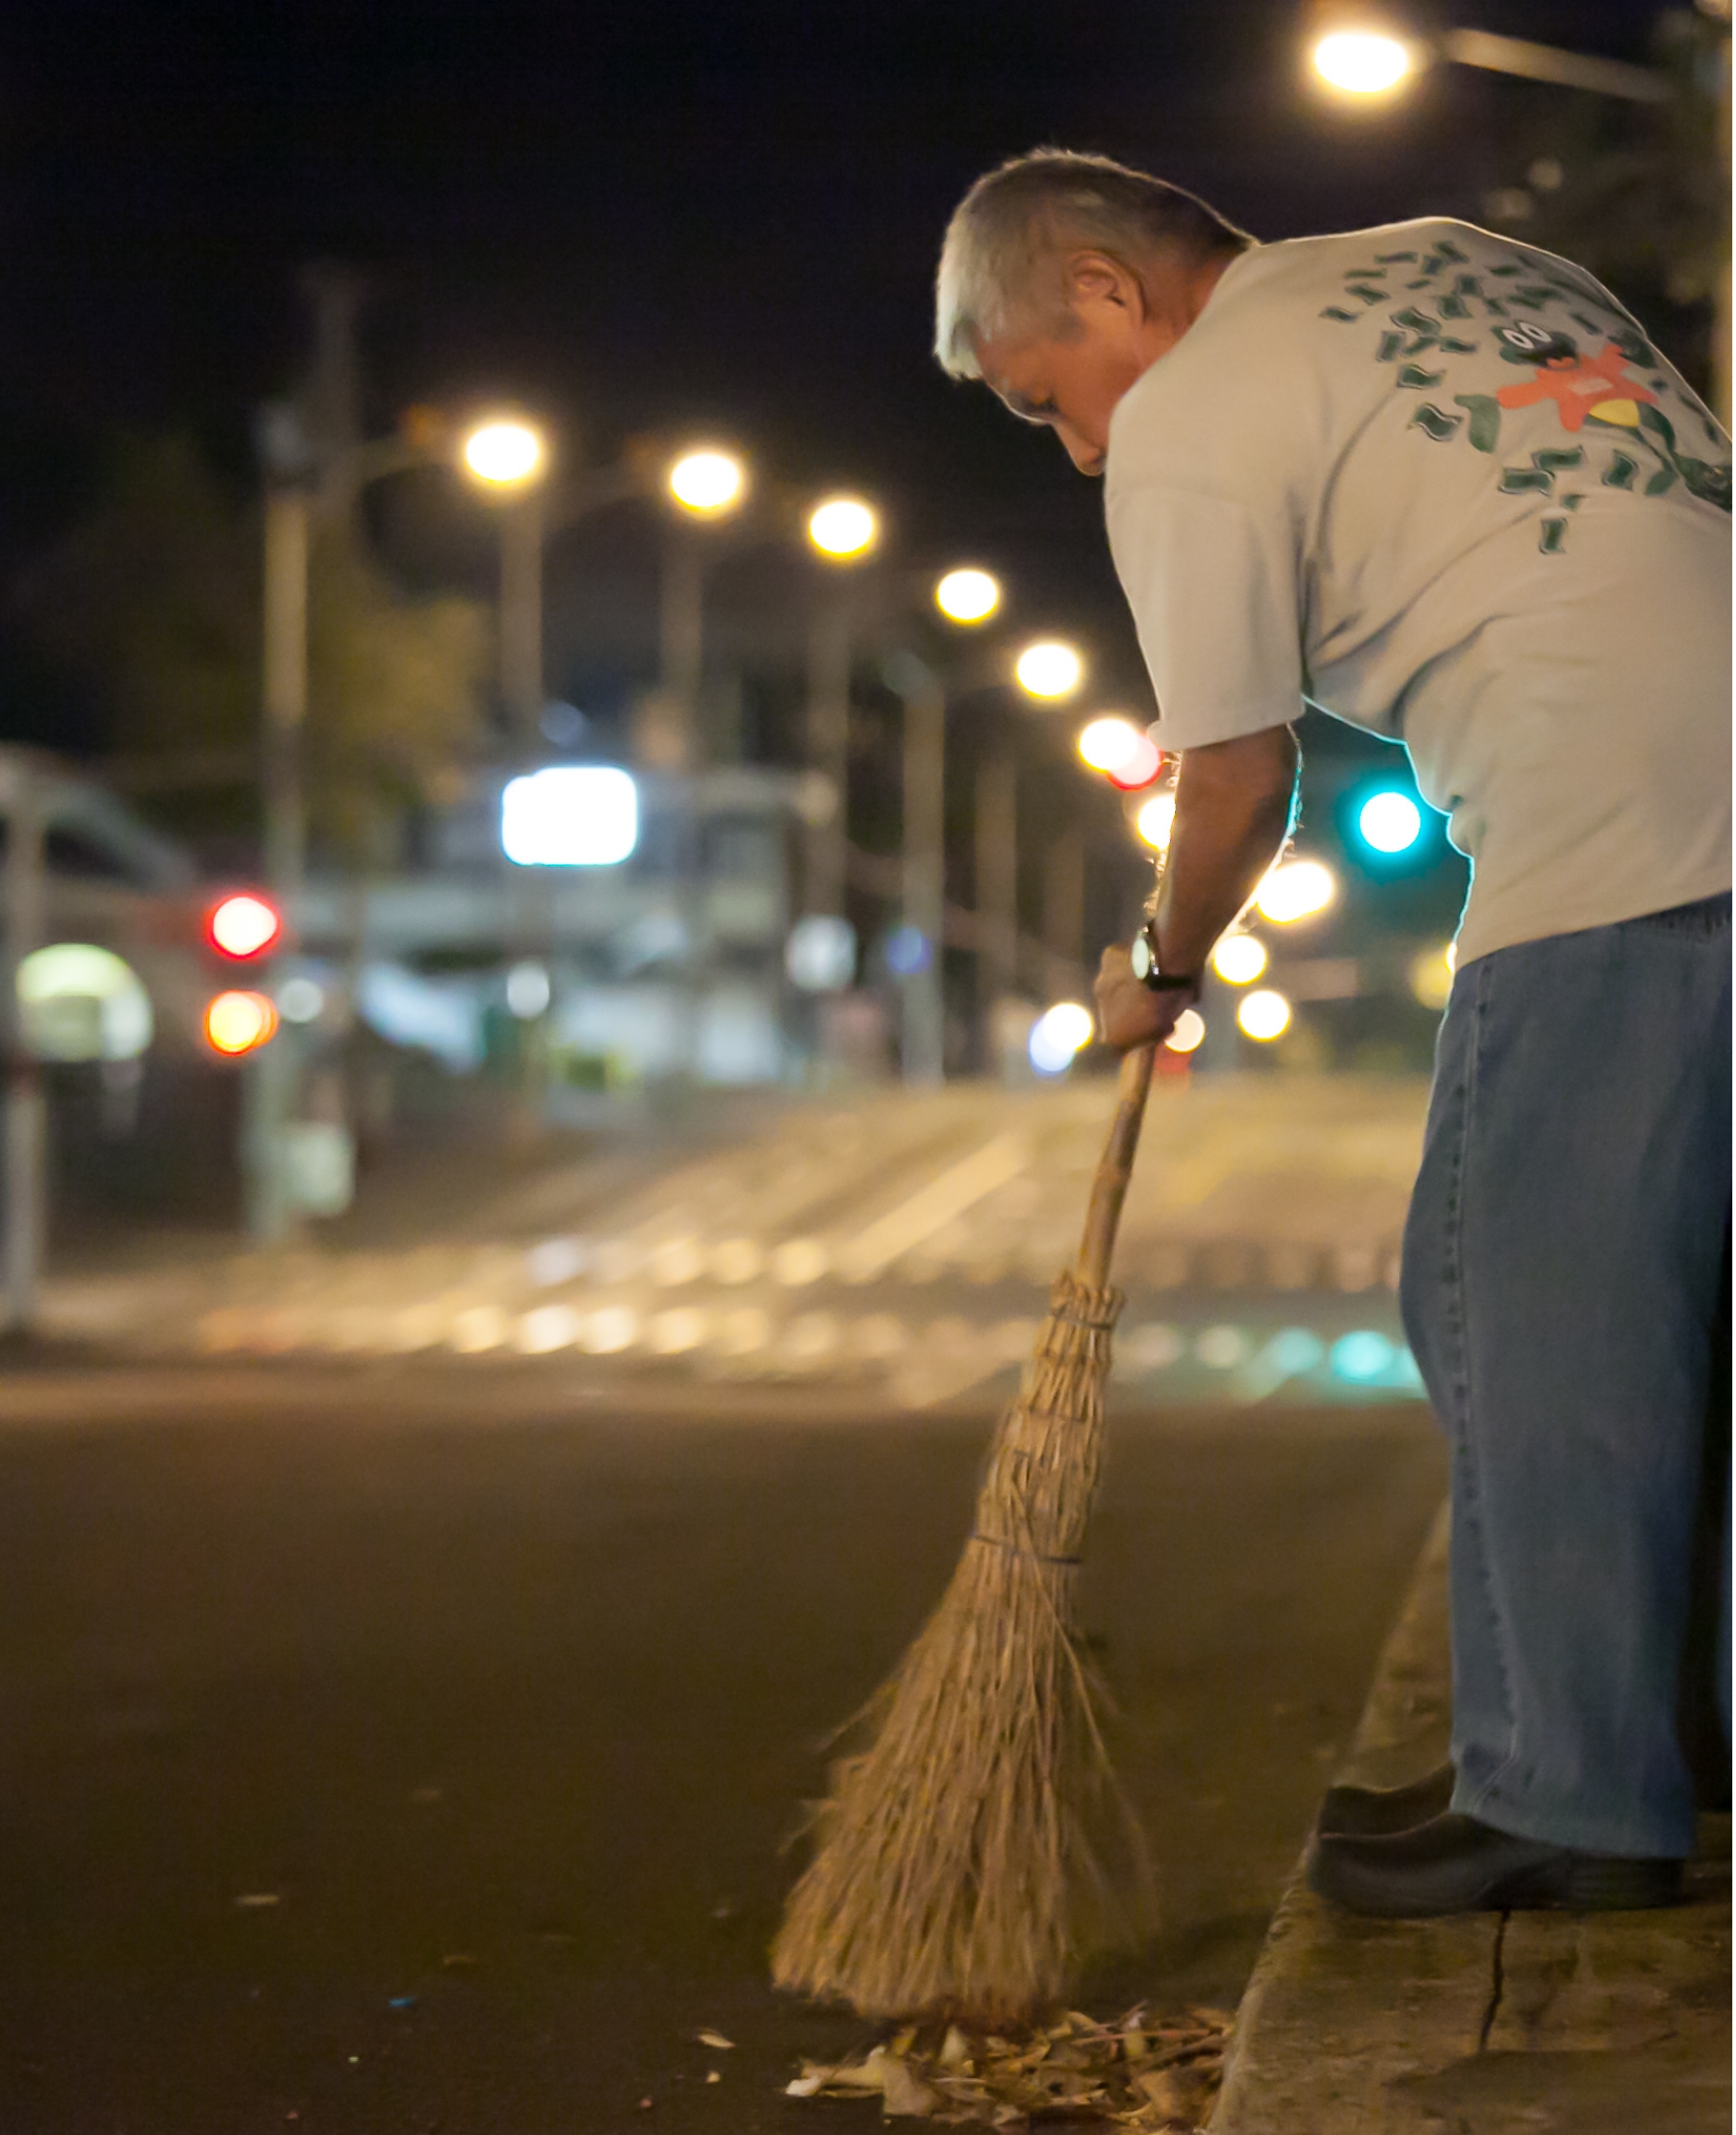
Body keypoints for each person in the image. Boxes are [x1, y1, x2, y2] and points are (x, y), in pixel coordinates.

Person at [933, 149, 1731, 1916]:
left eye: (1046, 397)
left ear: (1103, 289)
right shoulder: (1457, 258)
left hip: (1629, 820)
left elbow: (1232, 774)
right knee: (1690, 1303)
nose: (1074, 448)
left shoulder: (1194, 415)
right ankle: (1686, 1730)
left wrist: (1158, 960)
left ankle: (1571, 1795)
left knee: (1520, 1303)